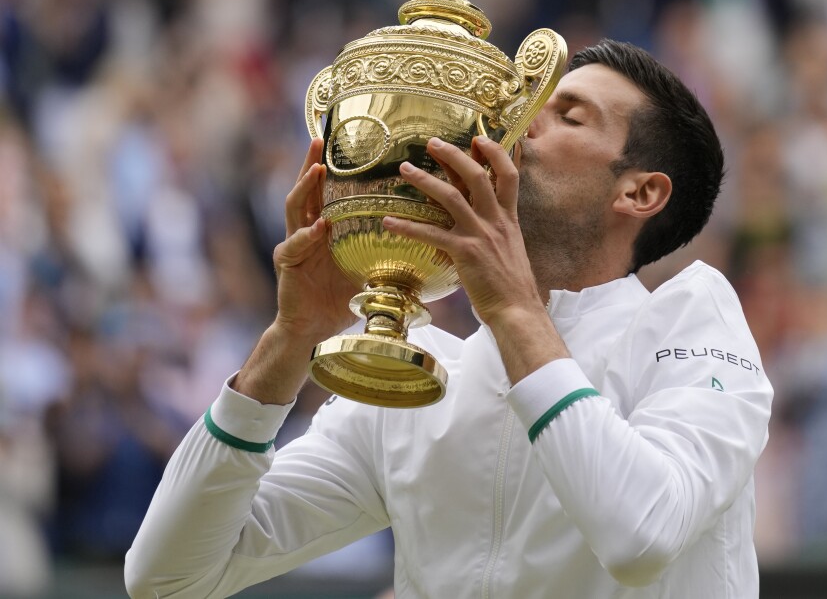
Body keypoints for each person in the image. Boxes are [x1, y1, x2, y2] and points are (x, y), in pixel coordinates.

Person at [125, 40, 773, 598]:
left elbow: (642, 533)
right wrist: (290, 341)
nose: (517, 124)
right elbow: (167, 577)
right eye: (526, 105)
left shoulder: (691, 318)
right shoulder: (421, 376)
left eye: (567, 115)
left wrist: (515, 308)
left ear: (640, 192)